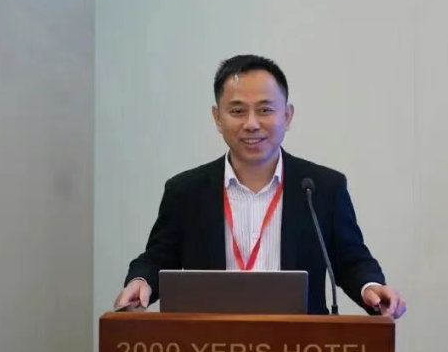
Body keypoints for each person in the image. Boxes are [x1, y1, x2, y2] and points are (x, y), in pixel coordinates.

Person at [114, 54, 406, 318]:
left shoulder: (322, 188)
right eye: (237, 111)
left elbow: (351, 260)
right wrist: (141, 282)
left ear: (287, 116)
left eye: (265, 110)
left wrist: (372, 287)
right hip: (209, 347)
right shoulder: (186, 192)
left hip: (301, 349)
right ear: (217, 118)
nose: (252, 124)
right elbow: (158, 257)